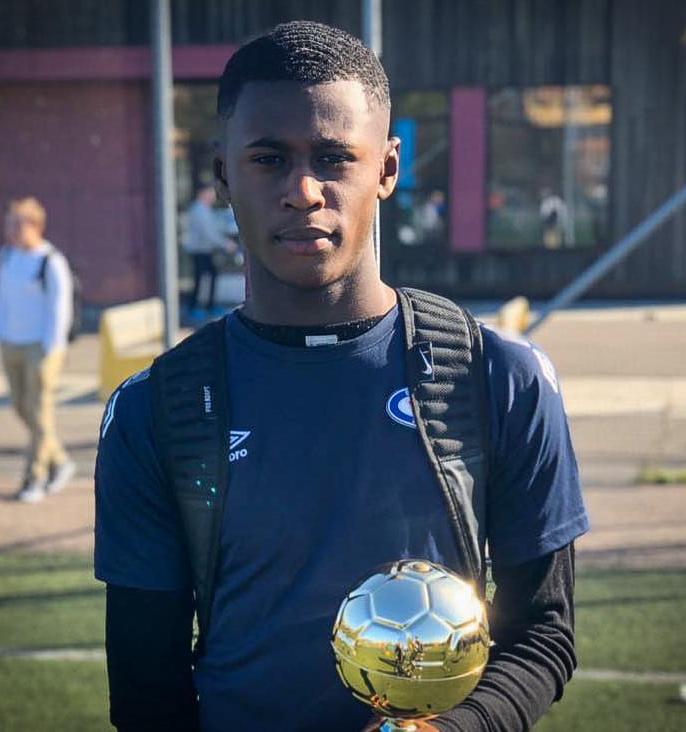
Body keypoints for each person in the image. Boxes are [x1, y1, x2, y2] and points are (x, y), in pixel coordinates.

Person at [95, 21, 588, 732]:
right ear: (223, 174)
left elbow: (542, 632)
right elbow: (147, 690)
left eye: (333, 158)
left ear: (386, 168)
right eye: (268, 158)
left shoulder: (498, 378)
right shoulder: (157, 410)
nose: (303, 190)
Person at [0, 196, 76, 503]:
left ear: (36, 225)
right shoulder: (6, 256)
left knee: (39, 412)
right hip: (11, 344)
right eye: (9, 224)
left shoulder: (50, 261)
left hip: (41, 348)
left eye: (17, 224)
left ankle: (35, 478)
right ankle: (60, 461)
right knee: (21, 407)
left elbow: (60, 309)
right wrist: (1, 336)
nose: (11, 230)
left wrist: (51, 347)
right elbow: (2, 299)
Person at [181, 184, 235, 319]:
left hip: (205, 251)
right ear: (202, 194)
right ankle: (196, 308)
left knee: (209, 277)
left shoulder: (205, 209)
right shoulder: (199, 210)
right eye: (210, 193)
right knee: (201, 279)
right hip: (200, 251)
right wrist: (225, 244)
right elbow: (209, 234)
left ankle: (207, 306)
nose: (213, 197)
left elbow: (215, 228)